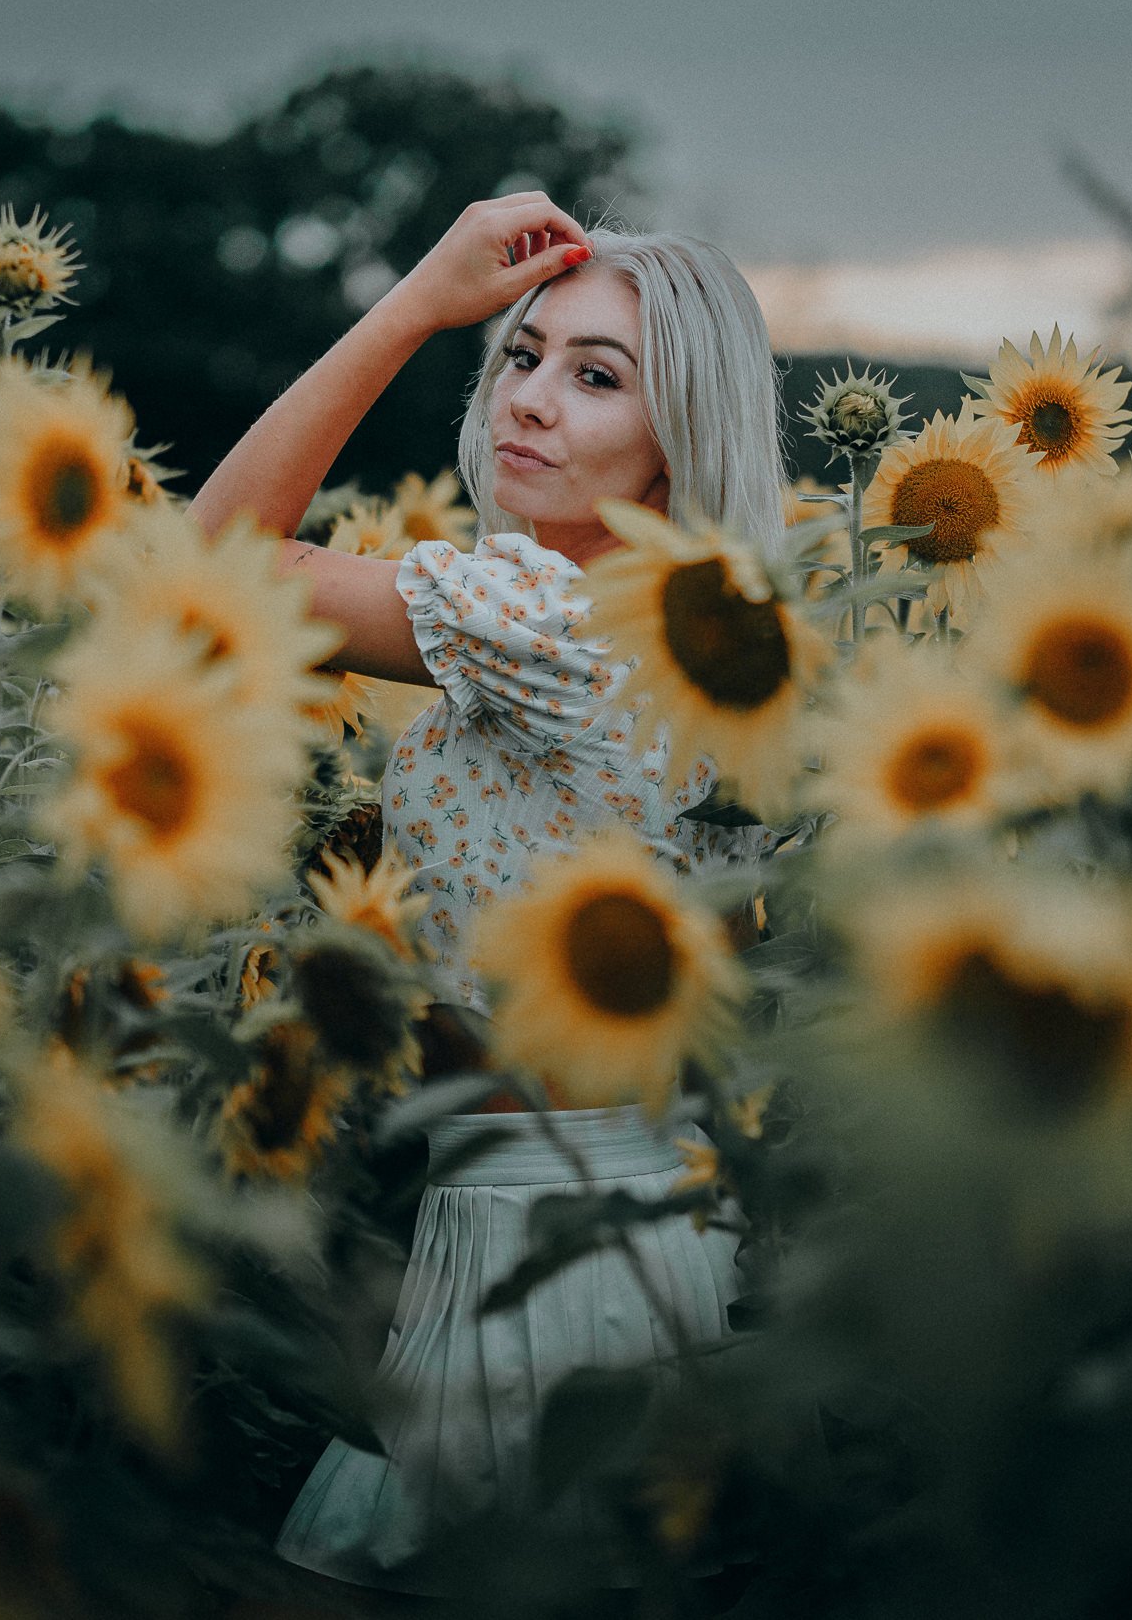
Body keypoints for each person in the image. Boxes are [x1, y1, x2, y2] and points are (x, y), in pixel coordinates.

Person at [190, 195, 782, 1601]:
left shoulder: (551, 625)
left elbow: (208, 560)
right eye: (518, 354)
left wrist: (414, 304)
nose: (528, 401)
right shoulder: (657, 615)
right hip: (569, 1210)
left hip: (553, 1241)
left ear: (678, 437)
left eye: (596, 377)